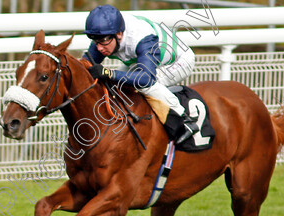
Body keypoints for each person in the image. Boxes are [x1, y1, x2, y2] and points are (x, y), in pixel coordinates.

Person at [83, 4, 199, 145]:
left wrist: (108, 73)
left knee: (143, 86)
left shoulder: (142, 37)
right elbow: (86, 63)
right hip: (140, 61)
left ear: (119, 34)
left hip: (177, 62)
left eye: (103, 41)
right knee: (116, 86)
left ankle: (185, 121)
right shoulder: (107, 33)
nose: (99, 47)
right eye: (95, 41)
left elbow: (146, 79)